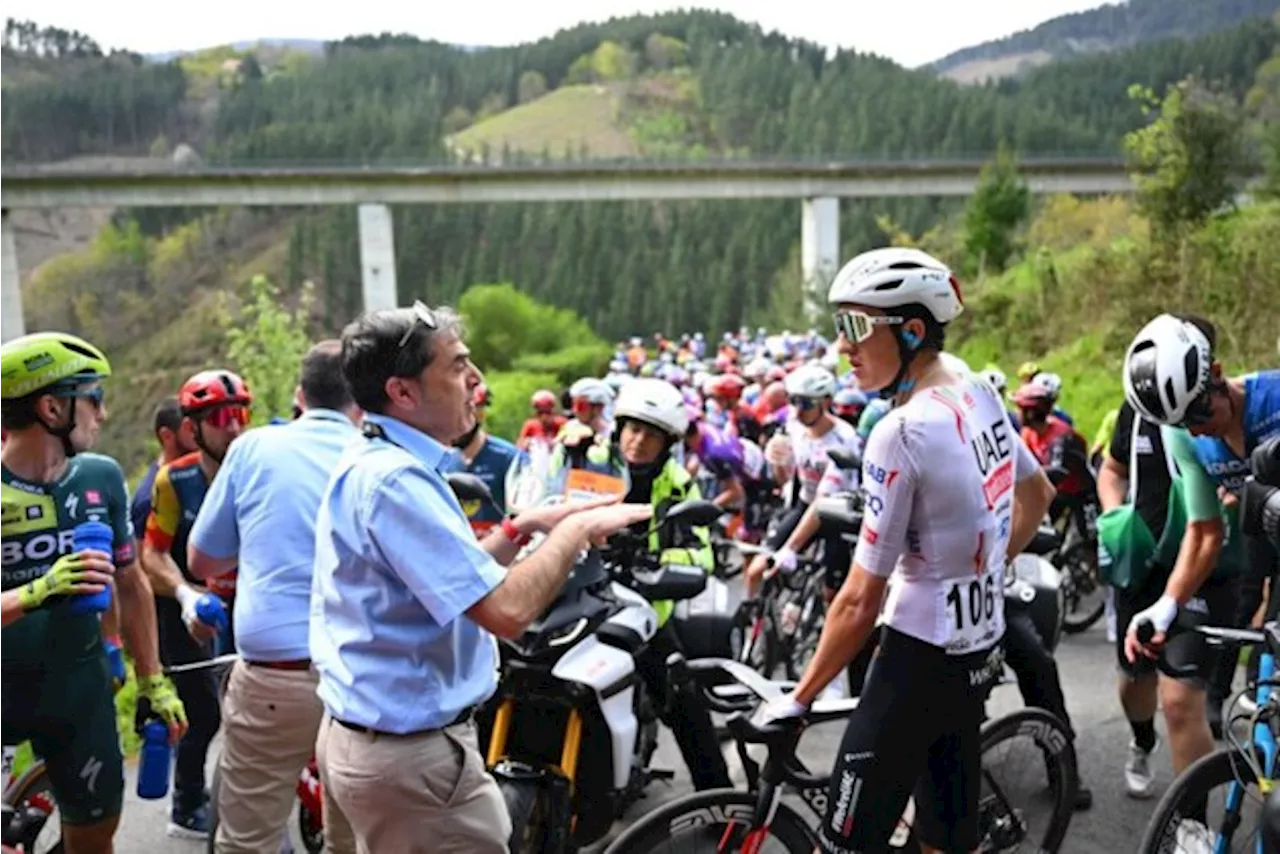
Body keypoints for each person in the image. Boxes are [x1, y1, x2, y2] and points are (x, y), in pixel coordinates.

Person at [310, 302, 651, 853]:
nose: (476, 382)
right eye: (457, 366)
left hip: (368, 745)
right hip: (412, 764)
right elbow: (505, 611)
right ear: (403, 392)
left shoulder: (377, 461)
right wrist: (577, 531)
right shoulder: (398, 482)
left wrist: (522, 528)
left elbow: (448, 581)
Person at [753, 247, 1056, 854]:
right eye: (841, 327)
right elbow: (1037, 492)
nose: (844, 346)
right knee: (946, 837)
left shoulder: (901, 431)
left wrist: (798, 697)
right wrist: (985, 569)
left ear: (912, 330)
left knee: (842, 844)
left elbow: (859, 599)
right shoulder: (977, 386)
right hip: (976, 647)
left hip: (917, 658)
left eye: (857, 327)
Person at [0, 332, 187, 854]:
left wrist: (153, 677)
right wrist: (38, 590)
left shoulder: (101, 478)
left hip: (76, 689)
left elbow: (129, 581)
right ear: (52, 406)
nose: (102, 414)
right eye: (94, 398)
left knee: (95, 836)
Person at [186, 342, 360, 854]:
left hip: (275, 674)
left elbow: (203, 561)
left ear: (299, 396)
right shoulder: (383, 453)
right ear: (362, 400)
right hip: (364, 680)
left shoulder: (253, 448)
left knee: (249, 839)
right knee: (355, 839)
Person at [1122, 315, 1271, 818]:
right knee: (1180, 696)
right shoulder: (1183, 434)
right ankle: (1191, 833)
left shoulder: (1274, 401)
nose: (1197, 428)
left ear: (1219, 374)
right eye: (1181, 422)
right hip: (1261, 549)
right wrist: (1168, 605)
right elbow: (1205, 531)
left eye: (1200, 412)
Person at [142, 369, 251, 838]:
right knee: (202, 712)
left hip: (249, 609)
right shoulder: (173, 480)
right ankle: (186, 806)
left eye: (241, 414)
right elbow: (151, 553)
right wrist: (186, 594)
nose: (234, 426)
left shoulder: (258, 466)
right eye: (222, 417)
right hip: (191, 614)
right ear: (193, 428)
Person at [608, 378, 731, 789]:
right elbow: (539, 494)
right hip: (578, 598)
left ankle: (719, 800)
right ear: (618, 428)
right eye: (633, 428)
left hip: (642, 610)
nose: (638, 441)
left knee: (687, 702)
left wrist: (656, 562)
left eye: (651, 434)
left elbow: (702, 552)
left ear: (668, 443)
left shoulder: (678, 483)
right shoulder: (585, 460)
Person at [744, 363, 859, 601]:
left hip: (836, 516)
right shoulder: (794, 426)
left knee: (833, 595)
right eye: (793, 401)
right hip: (804, 505)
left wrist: (791, 548)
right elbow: (784, 480)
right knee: (757, 569)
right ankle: (753, 622)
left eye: (805, 403)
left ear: (826, 402)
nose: (797, 410)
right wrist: (778, 462)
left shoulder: (843, 440)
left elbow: (822, 501)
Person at [516, 389, 565, 454]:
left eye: (547, 412)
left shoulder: (562, 423)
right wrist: (526, 444)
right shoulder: (530, 425)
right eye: (540, 412)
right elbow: (519, 446)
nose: (544, 416)